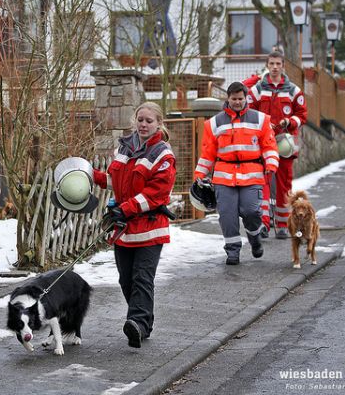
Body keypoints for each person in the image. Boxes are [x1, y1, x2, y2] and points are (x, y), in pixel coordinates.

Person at [92, 101, 176, 348]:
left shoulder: (163, 154)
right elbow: (115, 181)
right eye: (140, 119)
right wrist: (91, 175)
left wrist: (125, 208)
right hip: (125, 229)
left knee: (142, 278)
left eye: (149, 121)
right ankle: (143, 322)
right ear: (135, 120)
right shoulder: (124, 147)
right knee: (125, 280)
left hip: (150, 228)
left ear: (159, 124)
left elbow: (156, 193)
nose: (143, 124)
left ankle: (136, 323)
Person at [193, 82, 279, 265]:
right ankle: (233, 252)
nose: (238, 102)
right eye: (234, 99)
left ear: (246, 97)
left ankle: (255, 238)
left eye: (241, 99)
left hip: (252, 174)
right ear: (228, 99)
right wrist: (199, 175)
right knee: (227, 215)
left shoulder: (261, 120)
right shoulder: (213, 123)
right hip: (224, 176)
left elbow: (269, 146)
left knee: (251, 211)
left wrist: (271, 165)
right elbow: (208, 153)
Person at [243, 50, 308, 239]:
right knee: (262, 182)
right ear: (267, 65)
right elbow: (249, 111)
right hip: (263, 142)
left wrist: (289, 122)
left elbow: (302, 114)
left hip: (285, 143)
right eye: (271, 64)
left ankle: (282, 224)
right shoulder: (257, 89)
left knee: (284, 184)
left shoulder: (293, 90)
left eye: (278, 64)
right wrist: (263, 124)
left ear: (283, 66)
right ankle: (263, 224)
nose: (274, 67)